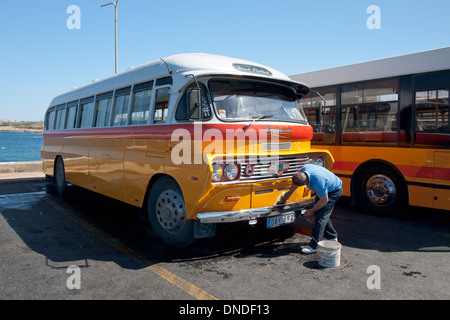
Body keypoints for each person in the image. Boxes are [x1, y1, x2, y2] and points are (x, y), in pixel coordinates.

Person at [277, 164, 343, 254]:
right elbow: (295, 184)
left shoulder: (318, 181)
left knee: (320, 217)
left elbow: (324, 200)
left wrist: (311, 211)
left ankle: (314, 246)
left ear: (306, 183)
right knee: (321, 213)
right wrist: (289, 193)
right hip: (326, 189)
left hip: (334, 191)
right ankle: (331, 236)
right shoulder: (302, 171)